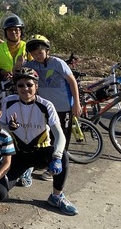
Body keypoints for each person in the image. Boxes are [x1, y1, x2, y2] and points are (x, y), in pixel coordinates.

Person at [0, 68, 78, 216]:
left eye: (29, 84)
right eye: (20, 85)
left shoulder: (46, 105)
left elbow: (59, 134)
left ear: (36, 86)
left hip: (40, 153)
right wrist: (7, 127)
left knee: (63, 156)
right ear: (15, 87)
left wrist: (56, 157)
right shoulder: (8, 102)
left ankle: (56, 196)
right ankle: (25, 171)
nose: (25, 88)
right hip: (18, 155)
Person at [25, 34, 81, 181]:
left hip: (63, 107)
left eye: (40, 52)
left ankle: (57, 168)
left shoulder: (58, 63)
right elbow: (20, 74)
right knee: (46, 137)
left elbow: (72, 82)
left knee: (61, 137)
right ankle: (46, 162)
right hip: (45, 108)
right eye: (34, 53)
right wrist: (18, 65)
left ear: (47, 50)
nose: (37, 55)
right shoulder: (32, 65)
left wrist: (76, 103)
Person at [0, 14, 28, 85]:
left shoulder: (27, 47)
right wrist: (3, 72)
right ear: (6, 32)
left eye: (16, 29)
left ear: (21, 31)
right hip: (5, 84)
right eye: (10, 30)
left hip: (24, 84)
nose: (13, 32)